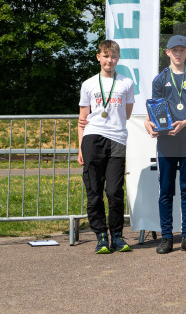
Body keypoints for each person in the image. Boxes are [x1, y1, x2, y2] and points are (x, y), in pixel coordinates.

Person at [147, 35, 186, 254]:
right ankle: (166, 237)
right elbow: (153, 109)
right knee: (165, 190)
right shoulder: (159, 79)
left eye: (182, 50)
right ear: (168, 53)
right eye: (175, 50)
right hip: (166, 140)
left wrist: (184, 123)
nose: (178, 54)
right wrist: (150, 124)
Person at [77, 39, 135, 254]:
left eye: (113, 56)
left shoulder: (127, 83)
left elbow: (127, 114)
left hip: (117, 139)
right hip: (93, 138)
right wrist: (80, 148)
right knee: (94, 190)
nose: (109, 60)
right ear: (98, 57)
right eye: (106, 55)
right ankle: (101, 235)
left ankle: (117, 235)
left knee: (114, 191)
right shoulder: (89, 84)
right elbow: (82, 119)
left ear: (118, 59)